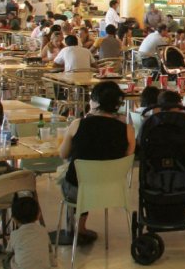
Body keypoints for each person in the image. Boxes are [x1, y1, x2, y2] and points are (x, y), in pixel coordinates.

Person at [57, 80, 135, 245]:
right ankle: (81, 227)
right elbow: (126, 159)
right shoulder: (127, 130)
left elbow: (63, 153)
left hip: (79, 190)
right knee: (87, 174)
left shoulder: (78, 124)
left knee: (74, 176)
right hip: (112, 189)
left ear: (96, 102)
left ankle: (74, 228)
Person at [1, 194, 53, 269]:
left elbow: (9, 251)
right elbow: (49, 249)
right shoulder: (43, 231)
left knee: (6, 259)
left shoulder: (15, 234)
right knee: (43, 256)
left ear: (14, 219)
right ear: (38, 215)